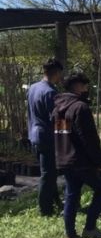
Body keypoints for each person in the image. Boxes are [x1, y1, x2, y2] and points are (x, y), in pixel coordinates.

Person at [53, 73, 101, 238]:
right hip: (82, 161)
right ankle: (90, 228)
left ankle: (70, 235)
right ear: (77, 86)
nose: (87, 90)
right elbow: (88, 138)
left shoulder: (58, 109)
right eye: (85, 86)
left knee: (72, 194)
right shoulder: (80, 108)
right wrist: (99, 162)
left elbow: (62, 135)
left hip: (65, 159)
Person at [27, 58, 64, 216]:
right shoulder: (51, 92)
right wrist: (65, 137)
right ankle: (45, 209)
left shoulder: (33, 87)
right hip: (46, 136)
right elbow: (57, 118)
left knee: (50, 172)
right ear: (56, 73)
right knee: (48, 174)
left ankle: (55, 202)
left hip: (34, 134)